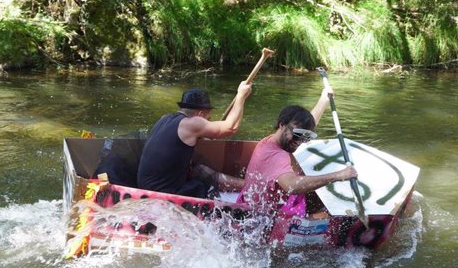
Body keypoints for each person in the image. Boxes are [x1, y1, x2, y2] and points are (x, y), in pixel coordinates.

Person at [236, 88, 357, 218]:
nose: (299, 142)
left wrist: (323, 100)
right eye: (297, 135)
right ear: (281, 125)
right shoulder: (277, 156)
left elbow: (302, 129)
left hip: (252, 205)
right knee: (334, 212)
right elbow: (292, 186)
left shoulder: (271, 140)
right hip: (266, 218)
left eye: (305, 137)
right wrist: (339, 175)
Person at [136, 82, 252, 198]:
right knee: (202, 185)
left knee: (199, 170)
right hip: (162, 195)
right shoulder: (192, 124)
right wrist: (240, 96)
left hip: (145, 188)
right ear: (200, 114)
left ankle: (247, 186)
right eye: (208, 119)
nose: (208, 121)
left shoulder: (165, 119)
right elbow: (231, 128)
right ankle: (250, 188)